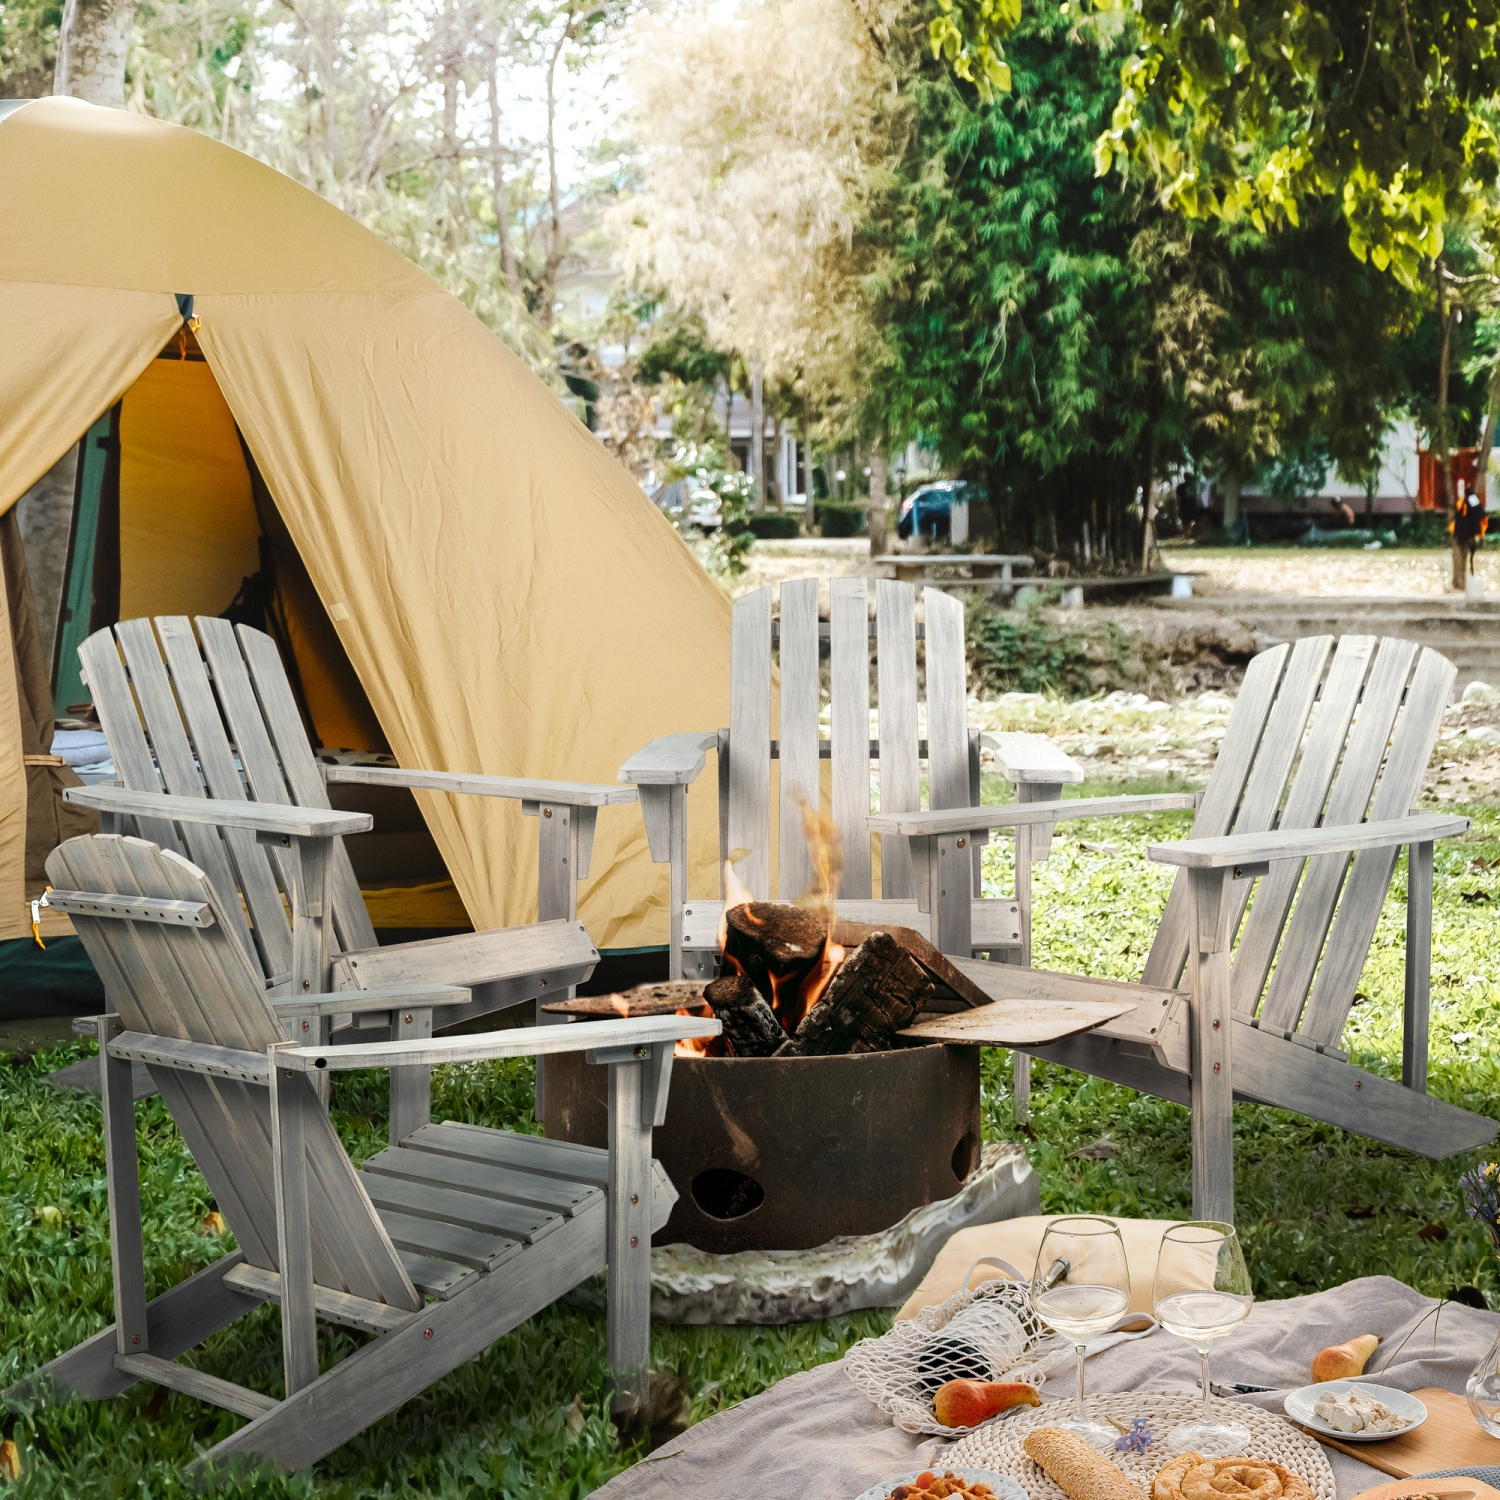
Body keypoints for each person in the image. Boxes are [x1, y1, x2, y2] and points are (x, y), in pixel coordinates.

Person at [1454, 477, 1488, 576]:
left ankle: (1470, 574)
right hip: (1462, 532)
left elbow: (1479, 513)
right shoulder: (1460, 500)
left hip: (1469, 531)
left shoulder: (1471, 497)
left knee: (1470, 555)